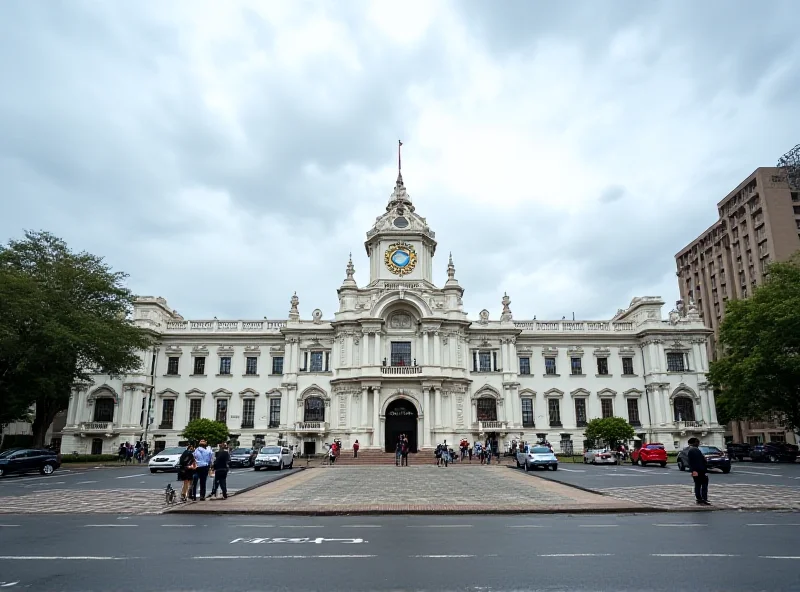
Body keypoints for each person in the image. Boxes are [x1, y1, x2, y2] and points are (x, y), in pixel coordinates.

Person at [686, 437, 710, 505]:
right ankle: (703, 498)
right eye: (697, 442)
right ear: (695, 442)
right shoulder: (694, 450)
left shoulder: (691, 450)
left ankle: (699, 498)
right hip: (700, 470)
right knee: (703, 484)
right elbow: (696, 461)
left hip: (697, 470)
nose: (698, 443)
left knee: (698, 485)